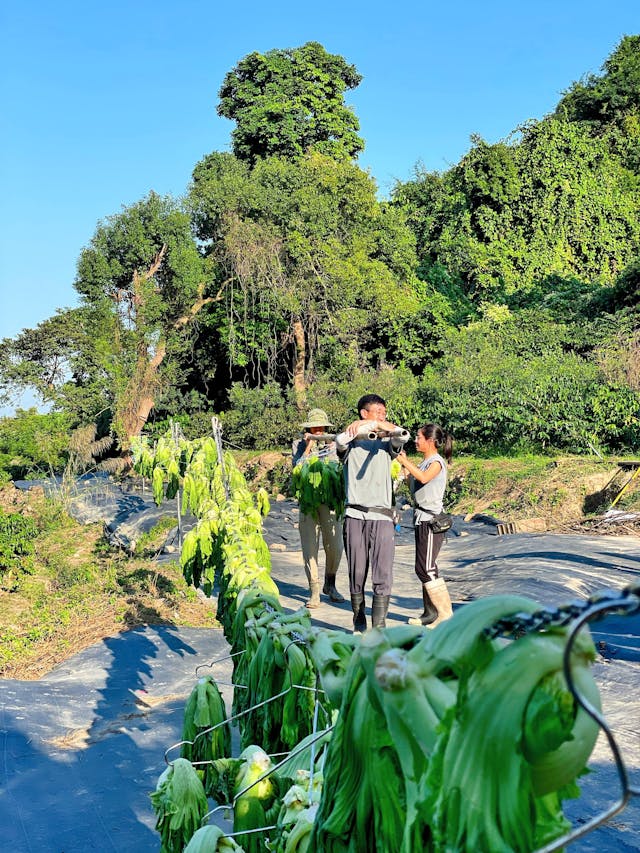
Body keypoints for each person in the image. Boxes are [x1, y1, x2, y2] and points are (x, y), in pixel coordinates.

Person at [335, 394, 409, 632]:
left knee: (383, 572)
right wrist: (361, 428)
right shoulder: (352, 441)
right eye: (377, 412)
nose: (382, 416)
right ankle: (359, 619)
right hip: (355, 516)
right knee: (356, 571)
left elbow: (403, 435)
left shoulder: (387, 443)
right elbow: (339, 440)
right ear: (363, 413)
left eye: (384, 412)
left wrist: (380, 425)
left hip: (382, 517)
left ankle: (379, 626)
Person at [397, 423, 454, 628]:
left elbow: (423, 478)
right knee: (422, 567)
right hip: (420, 518)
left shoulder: (436, 462)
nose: (415, 440)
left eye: (419, 437)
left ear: (430, 441)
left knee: (427, 568)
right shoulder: (424, 462)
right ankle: (430, 614)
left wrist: (404, 460)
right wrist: (404, 467)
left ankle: (445, 614)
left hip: (431, 520)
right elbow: (413, 482)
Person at [292, 408, 345, 608]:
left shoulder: (333, 446)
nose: (318, 430)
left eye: (321, 428)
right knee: (310, 547)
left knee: (335, 546)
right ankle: (314, 590)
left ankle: (330, 584)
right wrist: (308, 448)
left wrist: (334, 447)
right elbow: (296, 470)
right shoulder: (298, 445)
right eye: (314, 427)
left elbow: (341, 467)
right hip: (308, 503)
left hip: (330, 502)